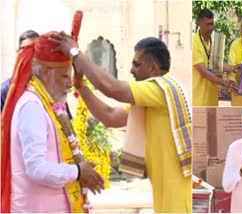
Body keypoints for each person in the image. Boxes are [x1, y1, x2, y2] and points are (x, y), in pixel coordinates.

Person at [50, 34, 192, 212]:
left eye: (136, 64)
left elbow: (113, 88)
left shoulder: (161, 88)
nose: (132, 70)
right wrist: (80, 86)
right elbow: (110, 116)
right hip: (168, 192)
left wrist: (75, 52)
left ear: (153, 68)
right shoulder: (149, 97)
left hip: (177, 194)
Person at [1, 32, 104, 213]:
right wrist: (78, 172)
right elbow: (36, 169)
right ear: (47, 73)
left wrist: (80, 169)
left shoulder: (47, 103)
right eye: (65, 76)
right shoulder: (32, 106)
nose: (70, 83)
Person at [192, 8, 239, 106]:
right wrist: (224, 83)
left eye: (212, 24)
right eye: (208, 24)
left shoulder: (215, 40)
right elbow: (204, 72)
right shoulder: (193, 42)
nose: (211, 27)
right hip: (198, 101)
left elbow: (217, 63)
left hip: (212, 100)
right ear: (199, 23)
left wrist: (233, 68)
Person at [1, 30, 39, 112]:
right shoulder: (5, 90)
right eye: (25, 49)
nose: (30, 54)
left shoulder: (49, 90)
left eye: (34, 49)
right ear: (18, 53)